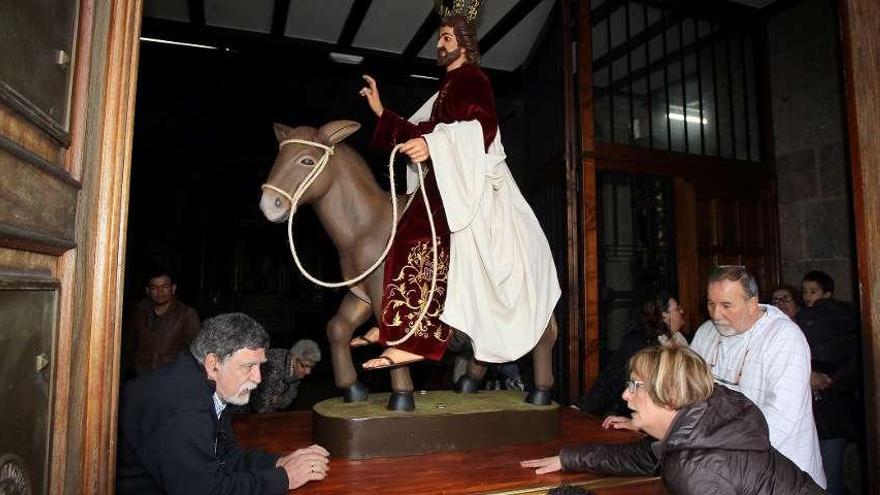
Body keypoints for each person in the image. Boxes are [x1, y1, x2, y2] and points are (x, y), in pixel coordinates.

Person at [355, 11, 560, 370]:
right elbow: (425, 130)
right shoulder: (447, 88)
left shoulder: (473, 79)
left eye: (447, 37)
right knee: (405, 237)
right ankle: (398, 327)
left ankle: (413, 339)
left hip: (467, 184)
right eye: (440, 38)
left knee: (418, 241)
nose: (440, 44)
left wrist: (434, 146)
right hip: (446, 180)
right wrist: (381, 112)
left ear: (465, 44)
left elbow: (482, 129)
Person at [520, 346, 824, 494]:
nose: (625, 396)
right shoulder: (704, 418)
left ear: (672, 395)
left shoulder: (694, 468)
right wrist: (569, 457)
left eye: (636, 386)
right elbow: (640, 457)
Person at [117, 313, 330, 494]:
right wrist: (284, 479)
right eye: (248, 366)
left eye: (259, 366)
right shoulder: (184, 408)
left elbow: (225, 456)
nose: (257, 378)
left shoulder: (208, 385)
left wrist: (279, 462)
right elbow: (205, 491)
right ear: (213, 364)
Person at [689, 265, 826, 487]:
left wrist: (717, 451)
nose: (716, 314)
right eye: (710, 304)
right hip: (725, 470)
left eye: (726, 305)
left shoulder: (784, 337)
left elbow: (781, 418)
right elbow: (688, 391)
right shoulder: (706, 332)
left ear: (752, 304)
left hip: (783, 475)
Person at [795, 271, 859, 495]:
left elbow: (854, 359)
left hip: (833, 413)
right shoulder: (803, 321)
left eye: (813, 292)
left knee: (831, 476)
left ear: (827, 294)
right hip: (817, 414)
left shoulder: (840, 322)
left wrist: (831, 379)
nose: (807, 296)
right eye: (804, 292)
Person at [575, 290, 687, 417]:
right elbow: (612, 378)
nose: (681, 312)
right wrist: (581, 408)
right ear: (664, 315)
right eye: (677, 309)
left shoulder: (681, 340)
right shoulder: (640, 344)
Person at [124, 269, 201, 375]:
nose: (160, 292)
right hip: (141, 378)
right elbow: (128, 347)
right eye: (155, 287)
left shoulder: (186, 314)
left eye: (164, 287)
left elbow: (196, 351)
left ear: (173, 289)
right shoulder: (138, 313)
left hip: (172, 378)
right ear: (148, 291)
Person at [246, 339, 322, 414]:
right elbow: (262, 407)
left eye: (311, 367)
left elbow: (289, 398)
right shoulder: (274, 366)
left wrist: (278, 400)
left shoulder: (293, 367)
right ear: (294, 358)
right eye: (304, 366)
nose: (308, 372)